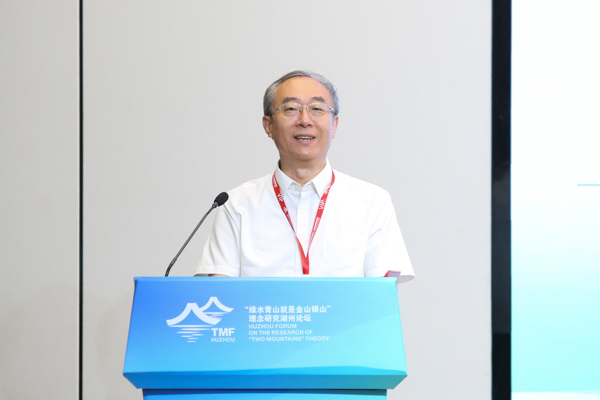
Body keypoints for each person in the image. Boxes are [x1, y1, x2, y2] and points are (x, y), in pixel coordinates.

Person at [195, 70, 414, 282]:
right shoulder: (236, 205)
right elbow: (219, 293)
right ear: (268, 126)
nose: (305, 120)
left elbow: (382, 296)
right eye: (291, 108)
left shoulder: (372, 202)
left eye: (317, 108)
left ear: (334, 124)